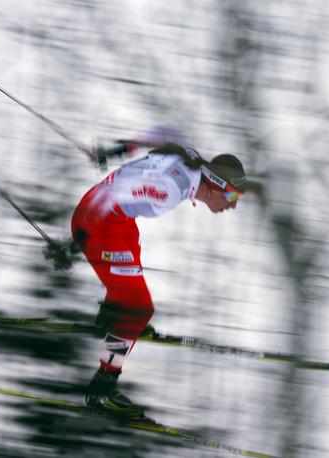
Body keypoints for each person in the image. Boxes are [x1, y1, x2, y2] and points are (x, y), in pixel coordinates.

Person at [69, 126, 247, 419]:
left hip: (115, 222)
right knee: (139, 309)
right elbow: (116, 193)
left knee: (131, 272)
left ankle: (116, 314)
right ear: (216, 186)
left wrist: (120, 148)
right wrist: (76, 241)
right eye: (233, 195)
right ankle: (102, 387)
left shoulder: (191, 159)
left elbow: (169, 133)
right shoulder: (170, 190)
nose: (234, 204)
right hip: (98, 223)